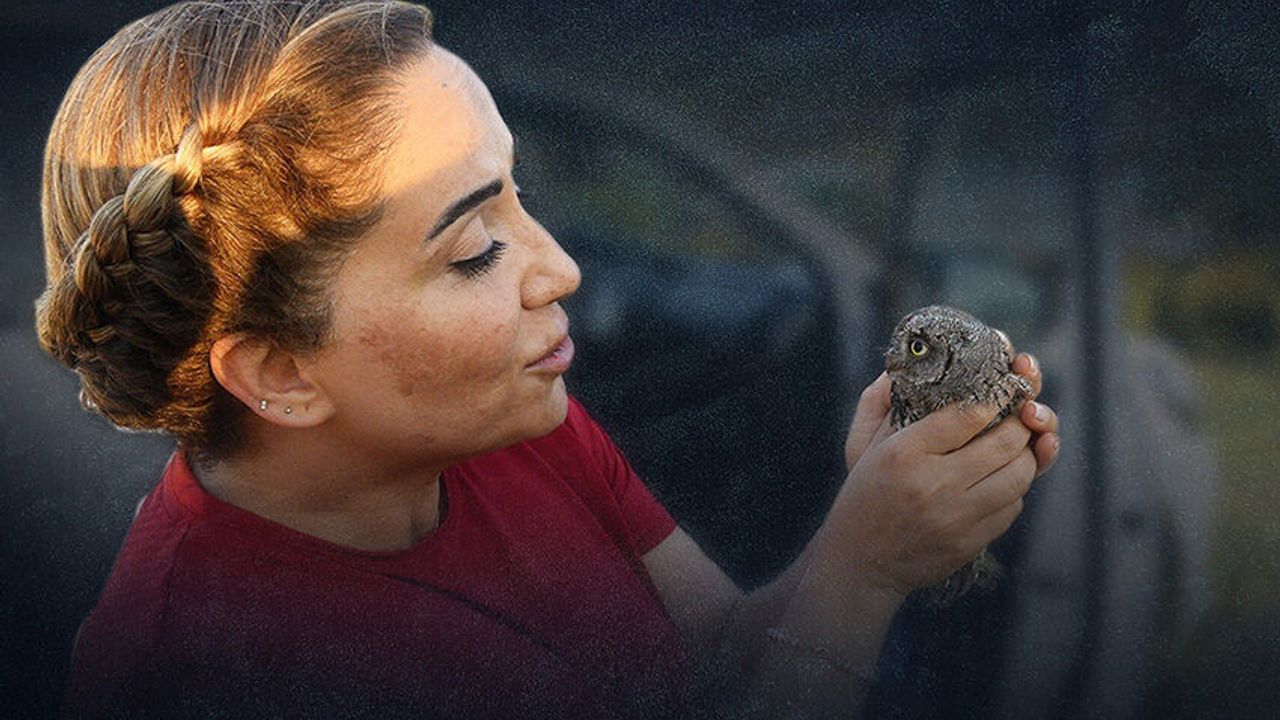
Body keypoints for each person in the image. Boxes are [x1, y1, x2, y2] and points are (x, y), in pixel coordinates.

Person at [36, 1, 1060, 718]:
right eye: (473, 249)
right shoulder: (210, 673)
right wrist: (863, 573)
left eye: (518, 197)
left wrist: (869, 514)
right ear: (281, 376)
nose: (561, 269)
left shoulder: (509, 424)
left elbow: (718, 660)